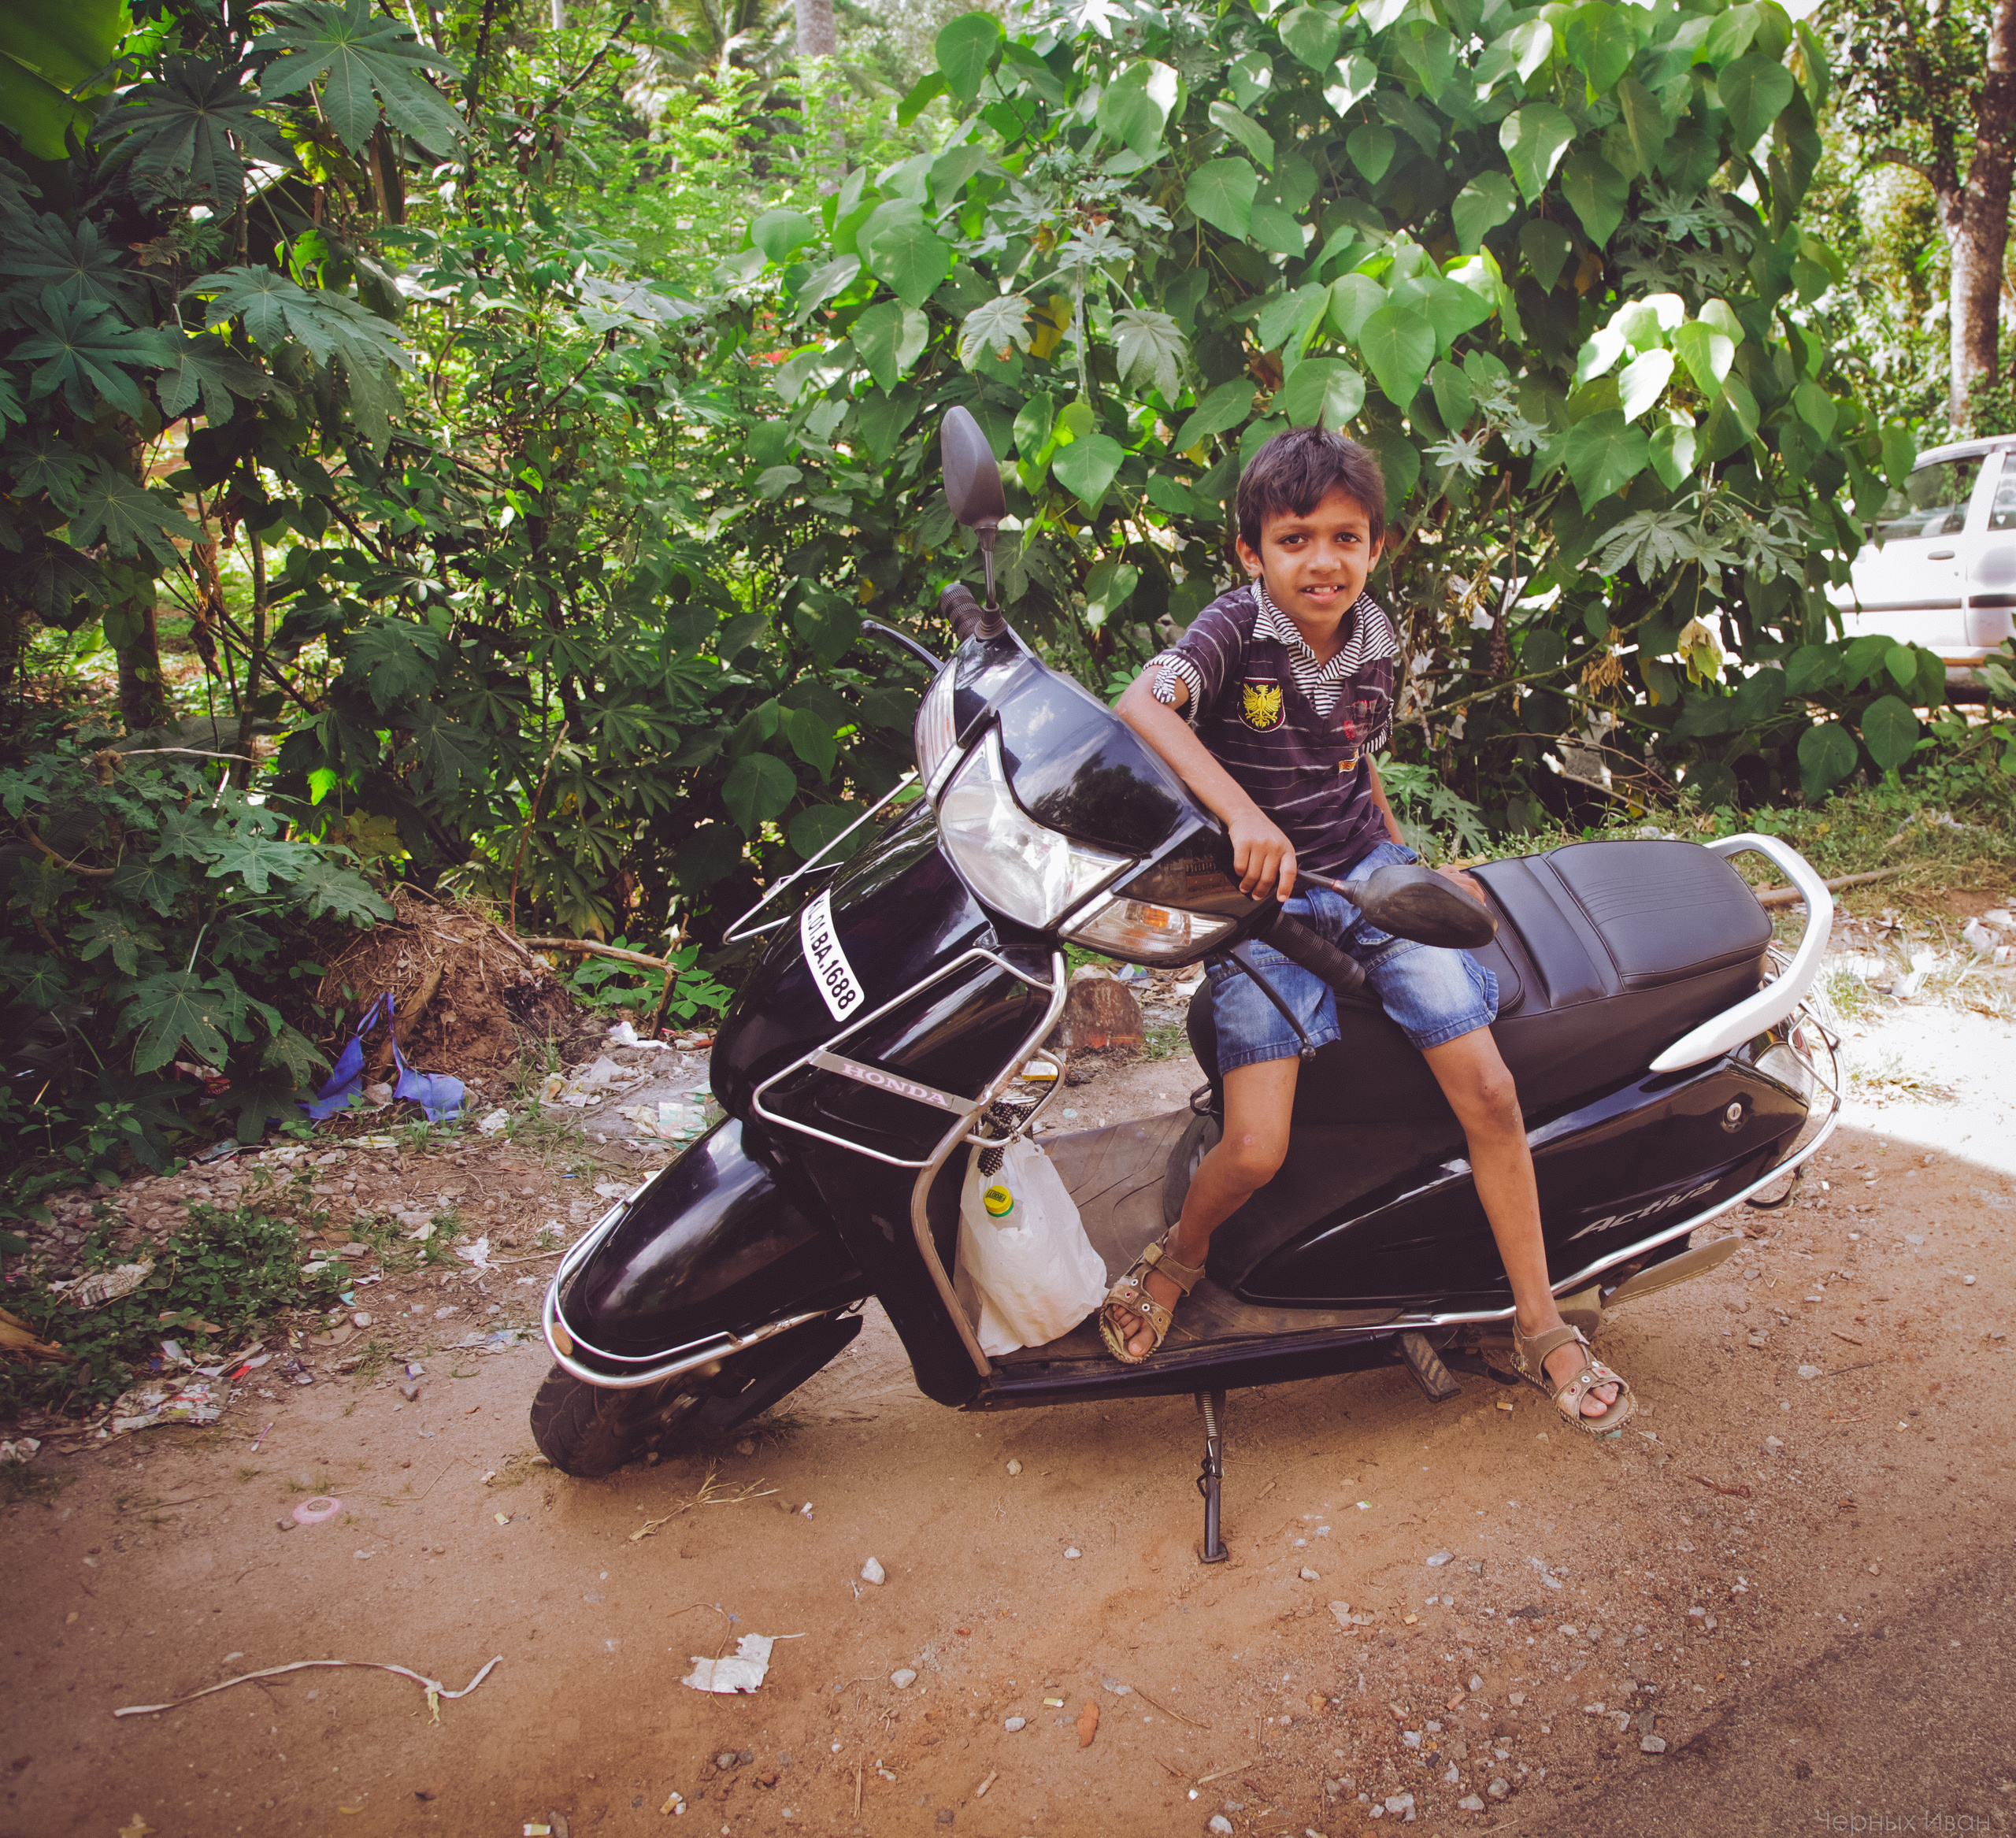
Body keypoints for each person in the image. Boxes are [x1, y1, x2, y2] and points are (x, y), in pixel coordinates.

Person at [1102, 424, 1632, 1435]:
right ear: (1252, 553)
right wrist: (1243, 820)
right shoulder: (1229, 630)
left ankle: (1537, 1318)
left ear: (1375, 548)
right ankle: (1180, 1257)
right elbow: (1141, 704)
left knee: (1489, 1088)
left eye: (1346, 538)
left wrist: (1404, 863)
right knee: (1254, 1147)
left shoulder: (1376, 636)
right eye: (1296, 539)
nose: (1323, 561)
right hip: (1258, 901)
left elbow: (1356, 759)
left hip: (1368, 878)